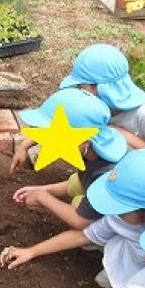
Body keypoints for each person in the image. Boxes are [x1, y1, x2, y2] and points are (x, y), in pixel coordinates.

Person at [1, 149, 145, 288]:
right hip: (136, 255)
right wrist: (31, 251)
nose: (114, 210)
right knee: (110, 286)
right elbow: (83, 235)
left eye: (119, 205)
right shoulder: (121, 217)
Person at [12, 44, 145, 174]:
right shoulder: (93, 102)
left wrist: (122, 134)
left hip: (142, 177)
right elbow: (63, 124)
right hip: (109, 164)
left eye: (81, 86)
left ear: (99, 87)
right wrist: (24, 146)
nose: (78, 89)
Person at [11, 87, 127, 231]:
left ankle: (95, 246)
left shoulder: (104, 175)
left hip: (128, 233)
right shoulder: (96, 148)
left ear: (84, 141)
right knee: (77, 181)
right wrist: (39, 190)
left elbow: (80, 221)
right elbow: (80, 181)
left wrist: (43, 198)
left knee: (78, 205)